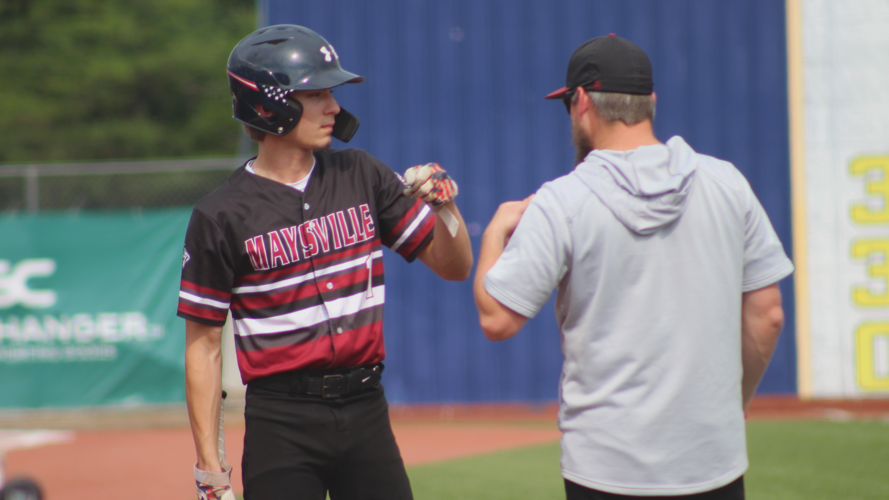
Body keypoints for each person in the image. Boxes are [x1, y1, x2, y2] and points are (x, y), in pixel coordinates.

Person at [473, 34, 793, 499]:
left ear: (581, 101)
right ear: (650, 102)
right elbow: (768, 316)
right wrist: (733, 403)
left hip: (605, 468)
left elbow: (497, 318)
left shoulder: (561, 201)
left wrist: (492, 237)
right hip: (713, 462)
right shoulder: (727, 182)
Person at [178, 25, 472, 500]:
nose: (333, 107)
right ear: (268, 104)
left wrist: (446, 209)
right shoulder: (219, 215)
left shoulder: (363, 174)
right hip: (281, 425)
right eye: (315, 93)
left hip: (366, 409)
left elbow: (453, 266)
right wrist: (210, 470)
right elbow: (203, 348)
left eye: (331, 93)